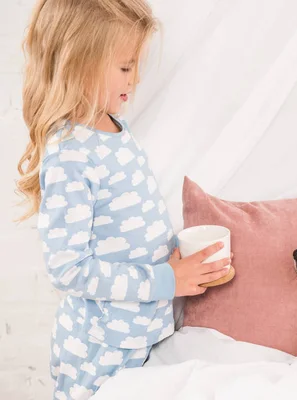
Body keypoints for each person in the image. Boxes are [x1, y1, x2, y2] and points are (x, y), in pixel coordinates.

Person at [16, 1, 231, 398]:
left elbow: (126, 227)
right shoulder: (69, 155)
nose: (134, 81)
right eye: (125, 68)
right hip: (99, 350)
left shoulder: (116, 128)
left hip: (141, 334)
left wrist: (171, 263)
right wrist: (166, 279)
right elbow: (68, 268)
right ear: (79, 62)